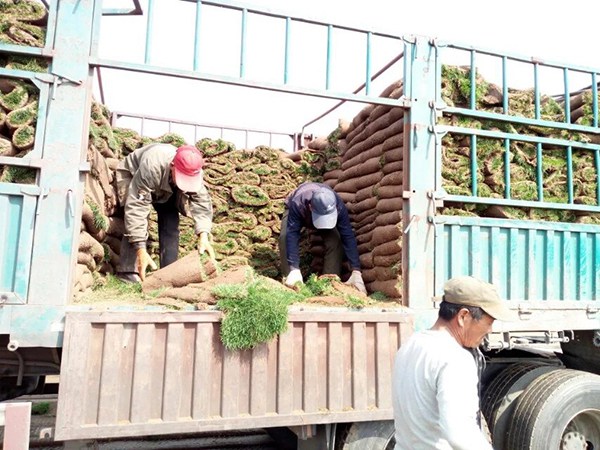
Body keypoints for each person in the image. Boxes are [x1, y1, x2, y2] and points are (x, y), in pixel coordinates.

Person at [392, 276, 516, 450]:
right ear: (463, 316)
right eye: (489, 322)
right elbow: (460, 432)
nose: (490, 330)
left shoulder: (410, 345)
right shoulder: (455, 358)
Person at [115, 143, 215, 282]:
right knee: (136, 217)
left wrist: (203, 235)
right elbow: (136, 208)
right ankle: (127, 273)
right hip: (134, 175)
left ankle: (168, 272)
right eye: (183, 177)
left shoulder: (194, 171)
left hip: (166, 185)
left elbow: (202, 203)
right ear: (173, 165)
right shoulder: (152, 166)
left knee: (170, 220)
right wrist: (141, 249)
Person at [279, 181, 366, 293]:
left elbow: (347, 235)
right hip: (296, 211)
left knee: (336, 240)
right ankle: (290, 282)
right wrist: (294, 268)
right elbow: (292, 235)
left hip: (322, 211)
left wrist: (356, 270)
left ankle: (328, 285)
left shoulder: (338, 206)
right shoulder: (298, 203)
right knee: (284, 237)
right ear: (310, 207)